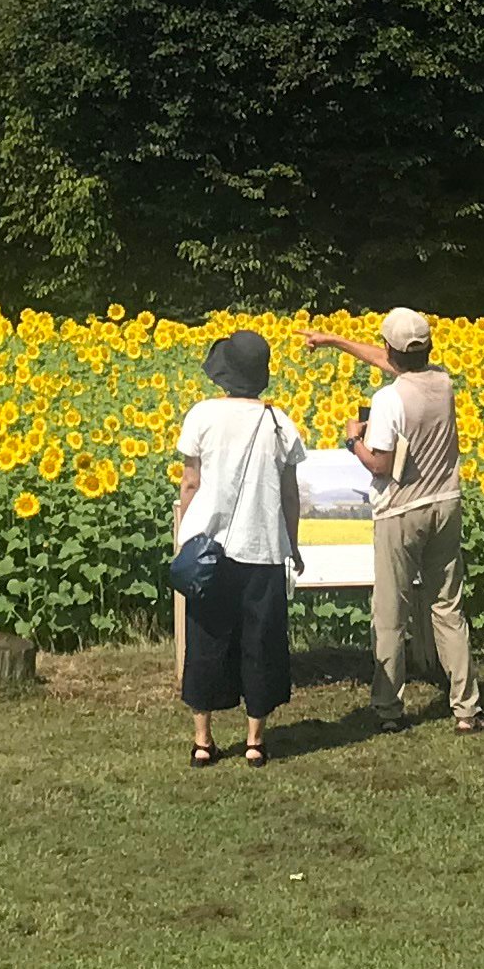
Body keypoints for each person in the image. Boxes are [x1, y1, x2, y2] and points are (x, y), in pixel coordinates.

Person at [304, 307, 484, 732]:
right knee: (447, 607)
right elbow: (394, 362)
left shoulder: (388, 400)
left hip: (402, 510)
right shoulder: (443, 383)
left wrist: (354, 439)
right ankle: (467, 708)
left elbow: (380, 465)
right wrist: (335, 341)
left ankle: (388, 710)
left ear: (390, 348)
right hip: (446, 503)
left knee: (391, 612)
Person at [172, 328, 304, 766]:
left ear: (224, 374)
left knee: (206, 640)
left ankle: (203, 741)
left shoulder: (202, 415)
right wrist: (294, 545)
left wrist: (184, 536)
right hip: (263, 547)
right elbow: (289, 495)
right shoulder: (279, 422)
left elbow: (191, 482)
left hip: (211, 548)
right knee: (260, 643)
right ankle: (254, 742)